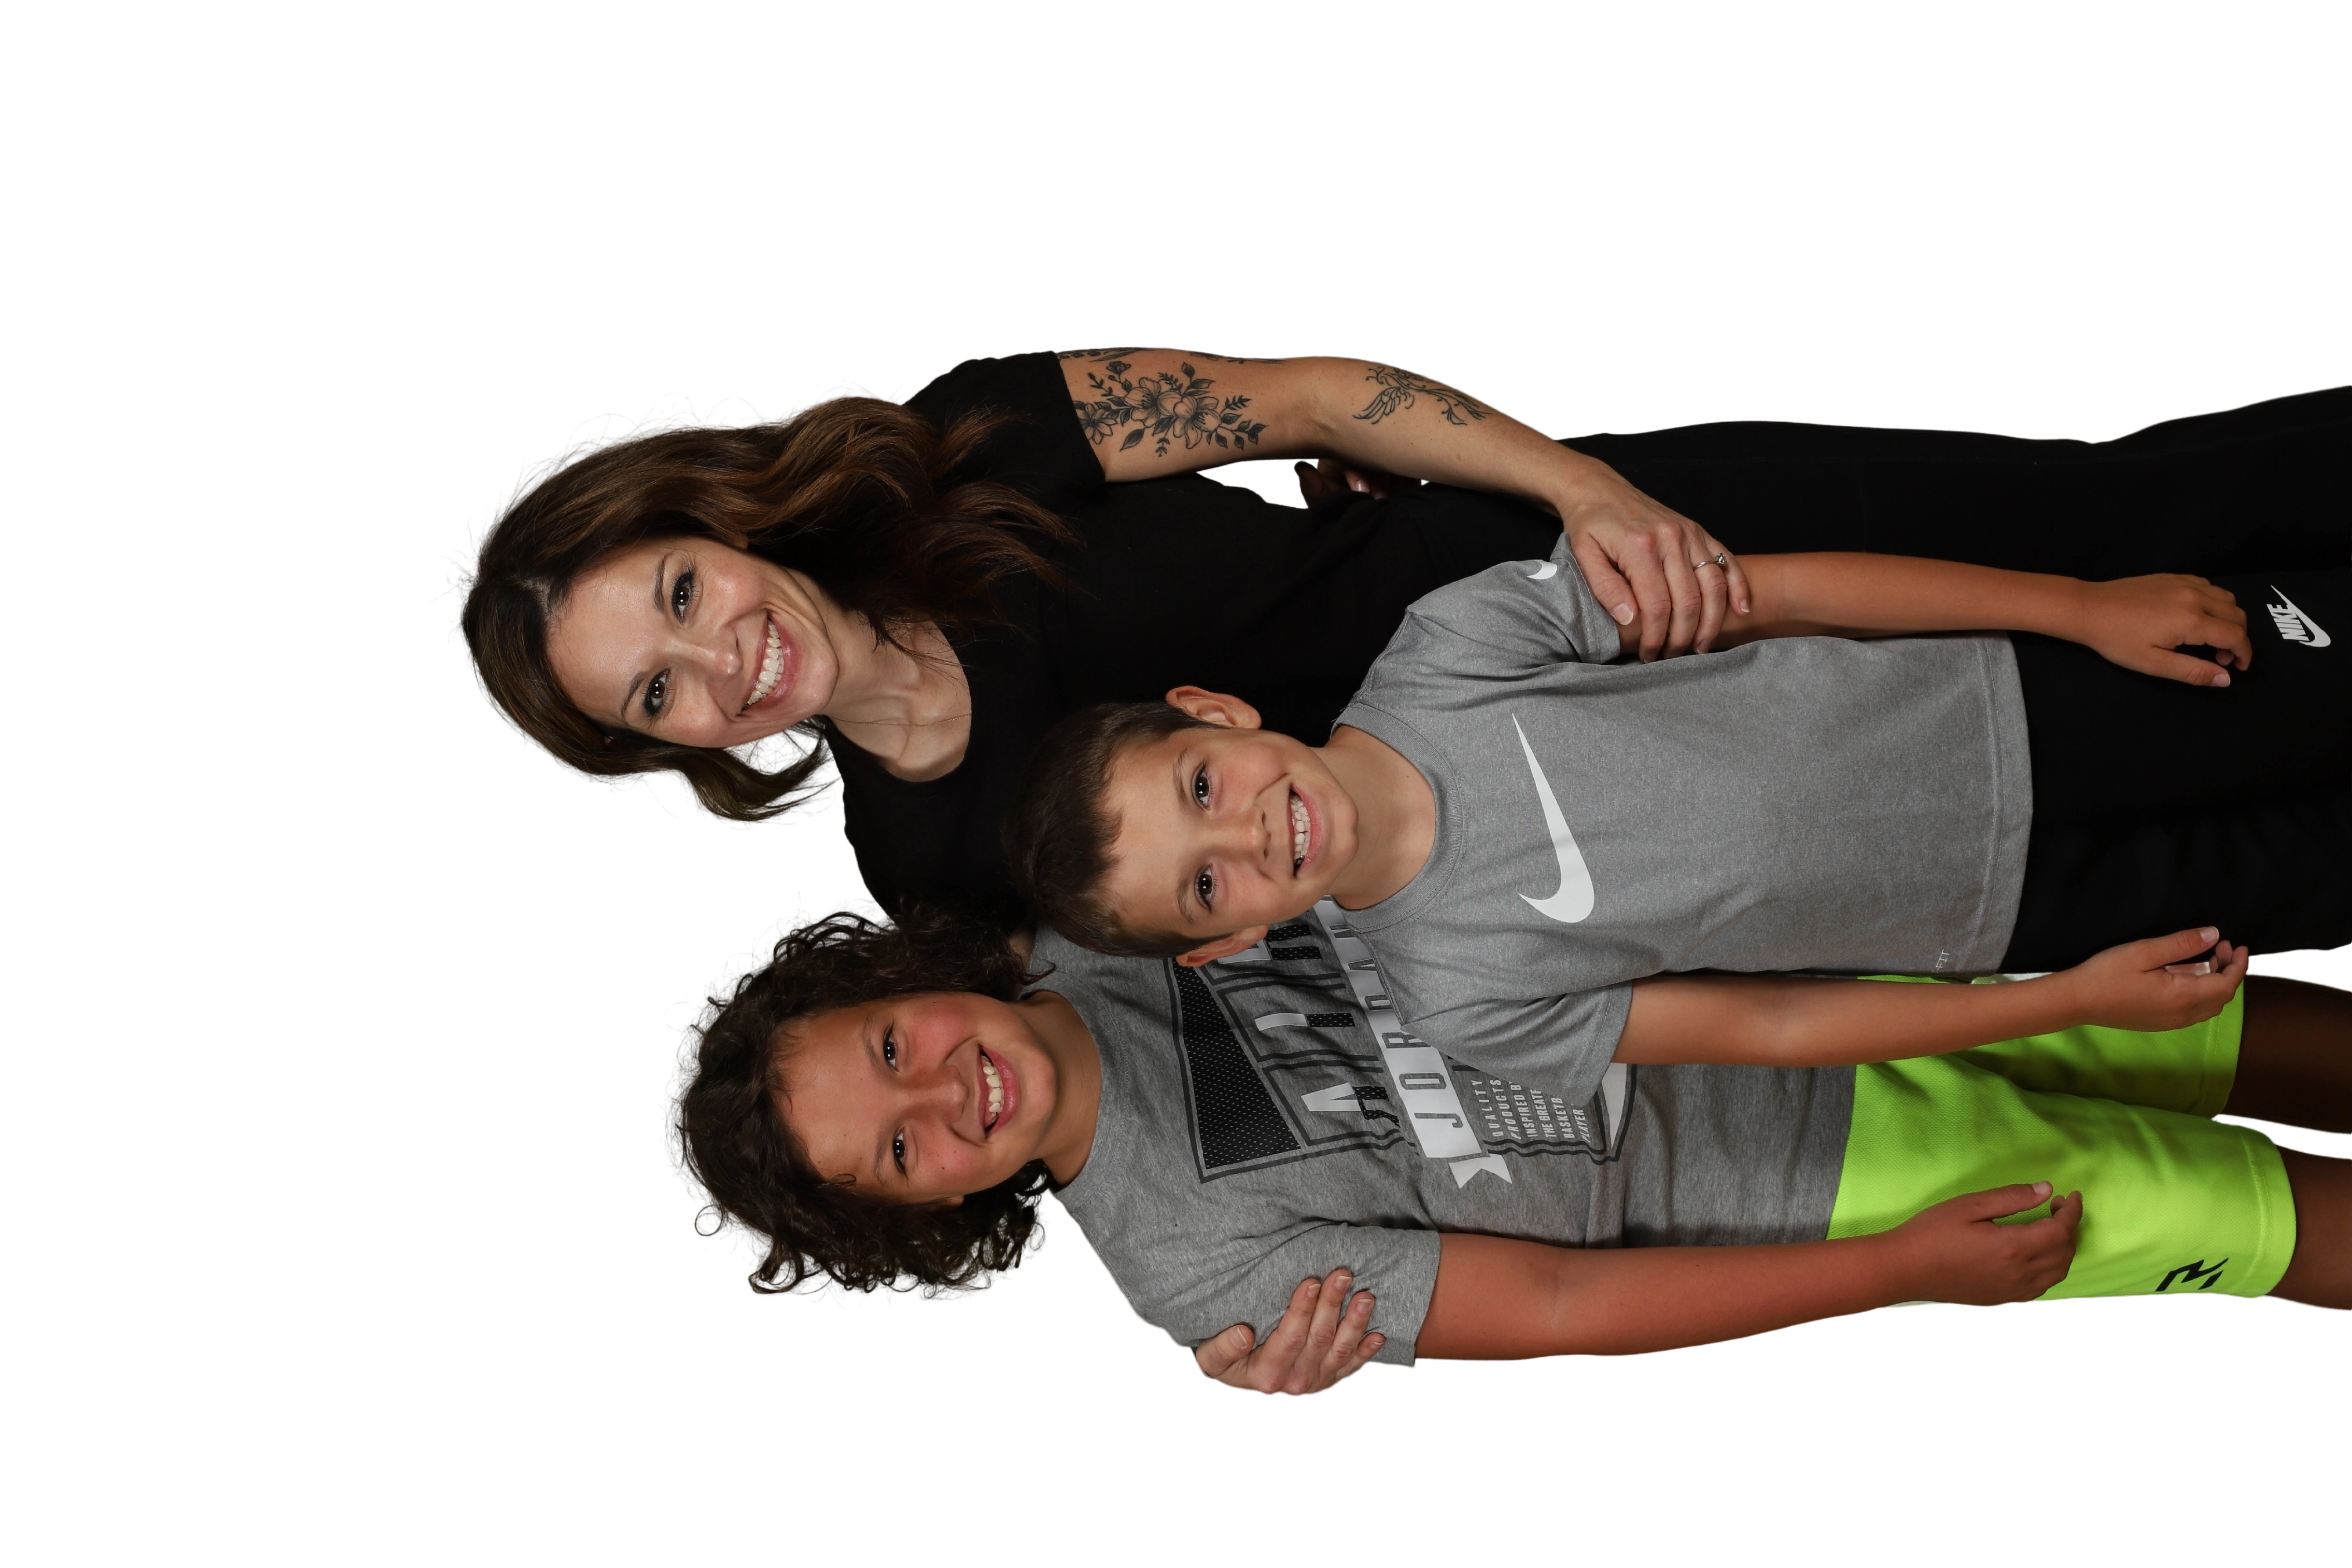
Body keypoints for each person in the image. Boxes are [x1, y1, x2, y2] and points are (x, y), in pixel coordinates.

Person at [435, 348, 2352, 924]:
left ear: (713, 522)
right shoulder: (920, 859)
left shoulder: (966, 445)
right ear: (672, 749)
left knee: (2112, 526)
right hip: (1614, 826)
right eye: (659, 692)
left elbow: (1311, 397)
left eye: (678, 596)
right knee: (2145, 769)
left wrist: (1587, 494)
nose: (722, 660)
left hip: (1582, 563)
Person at [653, 903, 2351, 1386]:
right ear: (932, 1212)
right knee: (2286, 1220)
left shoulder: (1101, 900)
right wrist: (1893, 1268)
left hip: (1814, 969)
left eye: (890, 1051)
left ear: (899, 975)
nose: (945, 1098)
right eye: (900, 1154)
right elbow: (1549, 1304)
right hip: (1828, 1180)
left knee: (2249, 1025)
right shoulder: (1195, 1271)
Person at [1001, 549, 2352, 1108]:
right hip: (2021, 912)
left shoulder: (1448, 645)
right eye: (1206, 886)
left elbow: (1772, 591)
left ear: (1214, 713)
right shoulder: (1460, 1000)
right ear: (1226, 945)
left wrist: (2076, 607)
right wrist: (2069, 998)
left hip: (2033, 700)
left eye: (1199, 787)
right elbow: (1776, 1025)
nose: (1247, 834)